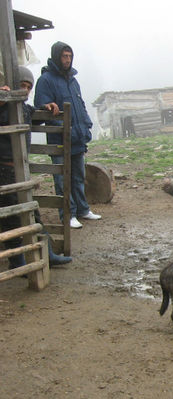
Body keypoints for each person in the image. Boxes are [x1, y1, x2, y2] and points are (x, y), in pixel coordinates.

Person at [1, 66, 71, 268]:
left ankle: (47, 253)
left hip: (20, 171)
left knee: (33, 212)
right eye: (21, 86)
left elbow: (37, 116)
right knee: (11, 215)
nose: (24, 90)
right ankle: (17, 261)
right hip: (3, 170)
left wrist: (48, 106)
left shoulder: (25, 108)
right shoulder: (3, 105)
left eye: (28, 87)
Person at [34, 41, 100, 229]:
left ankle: (82, 209)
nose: (67, 60)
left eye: (70, 56)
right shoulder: (46, 80)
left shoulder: (73, 80)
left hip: (77, 137)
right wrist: (47, 106)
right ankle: (67, 214)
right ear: (56, 57)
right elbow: (41, 105)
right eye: (64, 56)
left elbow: (81, 106)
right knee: (62, 178)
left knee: (78, 177)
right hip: (59, 138)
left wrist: (86, 125)